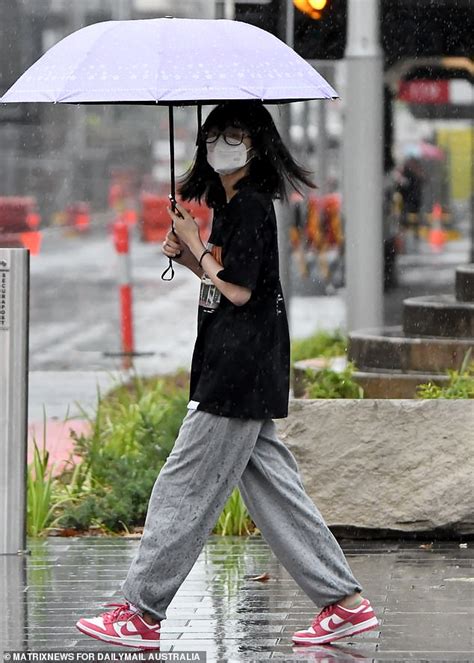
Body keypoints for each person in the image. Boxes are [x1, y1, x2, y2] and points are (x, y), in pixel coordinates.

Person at [76, 101, 378, 650]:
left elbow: (238, 290)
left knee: (182, 486)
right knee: (275, 494)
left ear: (257, 145)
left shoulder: (252, 207)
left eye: (234, 134)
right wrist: (191, 258)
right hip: (244, 365)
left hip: (237, 372)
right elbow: (230, 285)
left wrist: (194, 244)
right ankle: (344, 605)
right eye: (214, 133)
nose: (221, 143)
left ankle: (140, 612)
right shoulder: (236, 206)